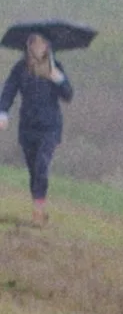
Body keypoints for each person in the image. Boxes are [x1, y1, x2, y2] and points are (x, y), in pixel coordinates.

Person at [2, 33, 73, 222]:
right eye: (35, 42)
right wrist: (3, 112)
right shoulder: (20, 68)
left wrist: (59, 80)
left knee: (42, 166)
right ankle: (38, 204)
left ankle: (38, 212)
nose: (39, 46)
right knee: (34, 170)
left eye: (43, 42)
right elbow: (9, 90)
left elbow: (68, 95)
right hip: (27, 127)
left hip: (50, 127)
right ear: (29, 45)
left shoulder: (55, 67)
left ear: (48, 46)